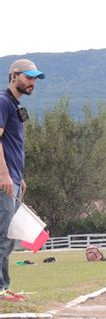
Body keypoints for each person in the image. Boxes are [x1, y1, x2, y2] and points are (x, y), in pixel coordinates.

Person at [0, 59, 45, 302]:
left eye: (35, 78)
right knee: (3, 236)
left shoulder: (15, 106)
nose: (32, 82)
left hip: (14, 179)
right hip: (4, 180)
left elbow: (12, 146)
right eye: (28, 77)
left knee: (10, 238)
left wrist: (19, 176)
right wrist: (5, 175)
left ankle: (4, 287)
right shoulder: (3, 102)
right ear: (14, 76)